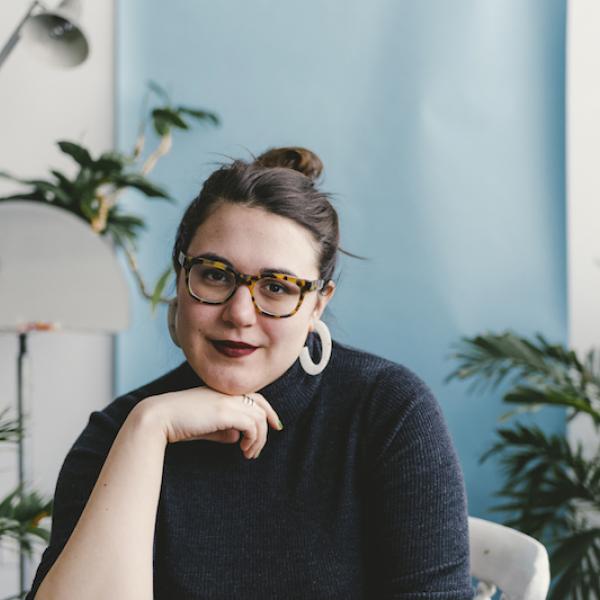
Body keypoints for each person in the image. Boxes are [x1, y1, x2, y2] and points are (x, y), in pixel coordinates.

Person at [27, 147, 472, 599]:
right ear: (181, 278)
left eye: (278, 288)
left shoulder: (386, 410)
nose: (240, 313)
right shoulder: (117, 432)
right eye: (215, 276)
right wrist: (148, 429)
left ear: (318, 303)